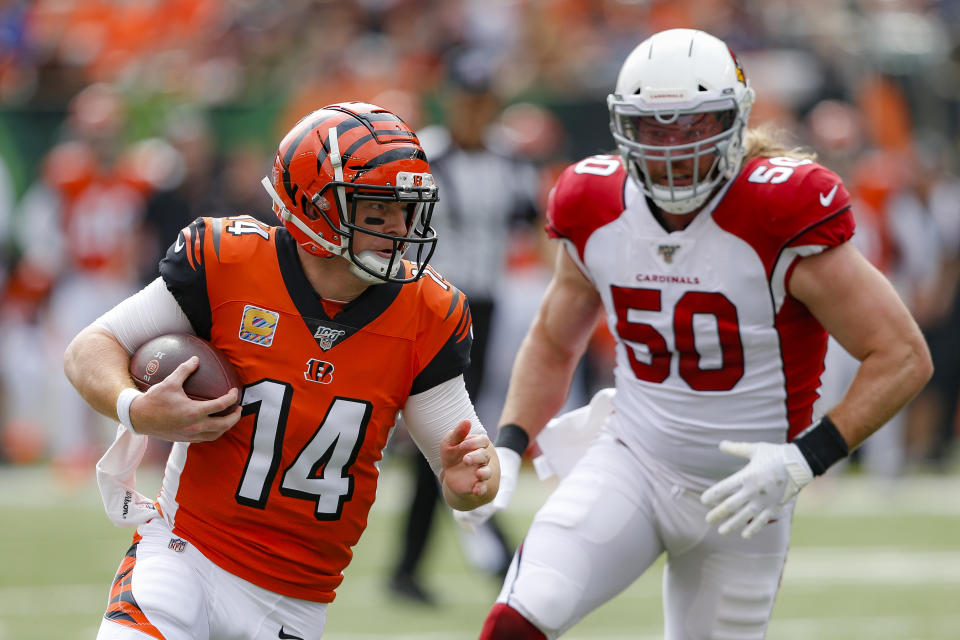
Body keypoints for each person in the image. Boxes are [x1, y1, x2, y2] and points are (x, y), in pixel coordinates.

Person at [458, 29, 933, 640]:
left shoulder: (777, 210)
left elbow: (901, 356)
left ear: (734, 121)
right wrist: (508, 444)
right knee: (516, 621)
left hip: (745, 495)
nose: (673, 146)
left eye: (693, 125)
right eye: (654, 128)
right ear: (624, 127)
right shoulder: (593, 200)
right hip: (631, 462)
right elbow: (554, 339)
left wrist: (803, 460)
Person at [62, 101, 501, 640]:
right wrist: (136, 409)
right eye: (377, 211)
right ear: (315, 209)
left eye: (406, 210)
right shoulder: (228, 263)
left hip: (293, 604)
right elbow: (91, 347)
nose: (399, 228)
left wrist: (470, 484)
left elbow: (469, 462)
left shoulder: (428, 312)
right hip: (185, 556)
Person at [387, 55, 540, 604]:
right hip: (430, 304)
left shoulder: (510, 158)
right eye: (468, 100)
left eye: (483, 100)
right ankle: (498, 554)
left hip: (488, 306)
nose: (475, 112)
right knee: (450, 433)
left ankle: (409, 569)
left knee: (443, 438)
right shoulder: (422, 155)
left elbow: (532, 223)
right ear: (451, 101)